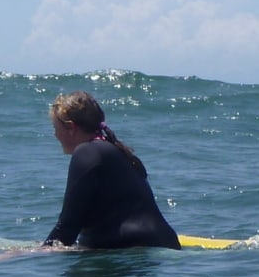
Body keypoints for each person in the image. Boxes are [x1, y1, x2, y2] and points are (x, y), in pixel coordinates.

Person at [43, 91, 180, 250]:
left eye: (56, 128)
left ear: (71, 128)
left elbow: (66, 229)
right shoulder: (117, 151)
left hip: (133, 249)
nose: (55, 135)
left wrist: (26, 255)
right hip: (162, 244)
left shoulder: (86, 152)